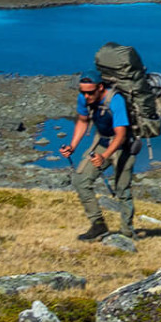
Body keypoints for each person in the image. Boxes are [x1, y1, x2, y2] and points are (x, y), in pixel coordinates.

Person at [59, 75, 136, 241]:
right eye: (83, 92)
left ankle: (127, 233)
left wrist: (104, 156)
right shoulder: (84, 97)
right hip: (101, 141)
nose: (86, 96)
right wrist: (72, 146)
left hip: (124, 146)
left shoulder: (116, 100)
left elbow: (121, 134)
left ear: (100, 87)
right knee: (80, 180)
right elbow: (82, 120)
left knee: (122, 189)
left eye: (90, 93)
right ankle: (98, 225)